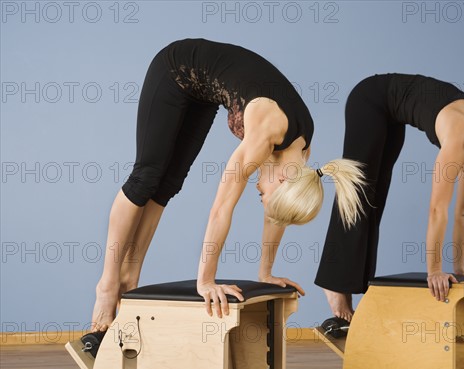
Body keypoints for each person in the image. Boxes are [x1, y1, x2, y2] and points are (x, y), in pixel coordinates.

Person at [91, 38, 367, 331]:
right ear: (284, 180)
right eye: (266, 198)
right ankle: (107, 285)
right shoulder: (267, 132)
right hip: (177, 69)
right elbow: (221, 209)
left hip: (202, 94)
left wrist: (266, 272)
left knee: (167, 185)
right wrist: (206, 281)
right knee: (145, 177)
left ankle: (129, 277)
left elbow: (278, 212)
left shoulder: (299, 157)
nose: (261, 201)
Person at [315, 74, 464, 321]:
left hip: (391, 115)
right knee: (356, 191)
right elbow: (438, 209)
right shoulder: (460, 135)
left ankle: (349, 283)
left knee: (375, 197)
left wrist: (459, 267)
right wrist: (434, 271)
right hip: (369, 99)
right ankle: (335, 285)